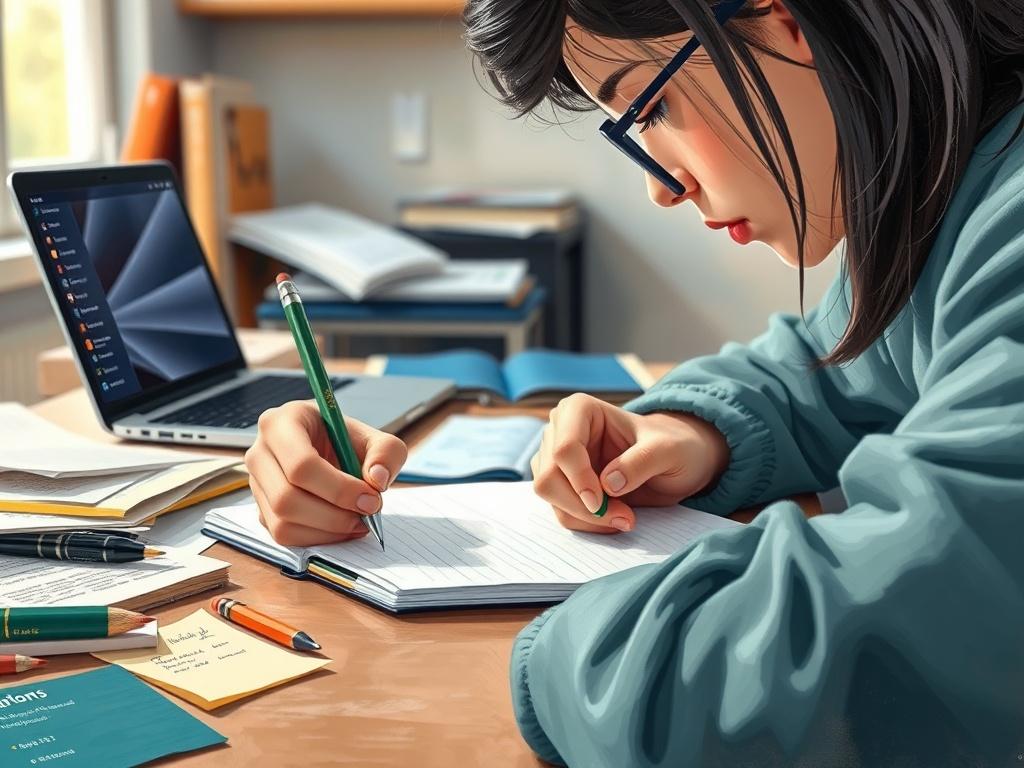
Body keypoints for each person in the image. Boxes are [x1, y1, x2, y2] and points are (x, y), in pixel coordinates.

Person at [245, 0, 1024, 764]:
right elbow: (836, 366)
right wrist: (689, 432)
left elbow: (928, 613)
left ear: (785, 18)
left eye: (651, 108)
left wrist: (559, 660)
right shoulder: (957, 196)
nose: (663, 187)